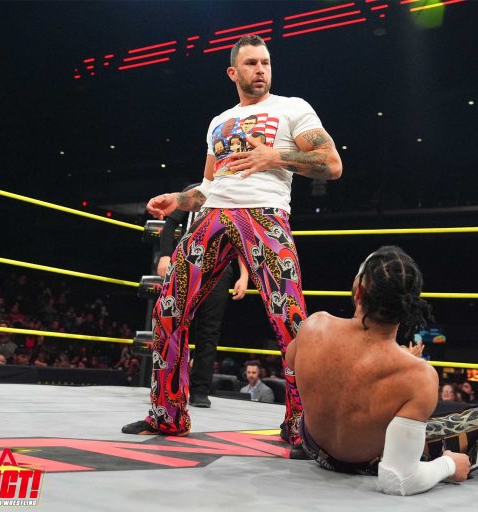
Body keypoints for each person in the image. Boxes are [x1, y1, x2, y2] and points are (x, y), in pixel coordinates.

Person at [122, 34, 342, 445]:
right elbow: (208, 186)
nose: (261, 70)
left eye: (265, 62)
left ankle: (302, 426)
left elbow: (331, 164)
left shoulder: (293, 108)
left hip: (265, 215)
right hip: (212, 215)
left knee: (290, 319)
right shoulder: (218, 122)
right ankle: (167, 415)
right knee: (168, 308)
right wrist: (179, 200)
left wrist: (276, 156)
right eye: (251, 63)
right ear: (233, 72)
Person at [286, 246, 478, 496]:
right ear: (409, 306)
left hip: (313, 444)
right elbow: (398, 480)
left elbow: (292, 361)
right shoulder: (417, 375)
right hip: (367, 461)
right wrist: (449, 465)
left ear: (359, 292)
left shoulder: (315, 326)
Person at [156, 183, 249, 408]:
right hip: (187, 262)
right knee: (174, 323)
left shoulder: (235, 194)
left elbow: (240, 239)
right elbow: (170, 225)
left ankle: (199, 391)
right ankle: (170, 386)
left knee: (209, 329)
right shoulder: (195, 190)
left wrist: (244, 275)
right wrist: (165, 256)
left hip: (220, 267)